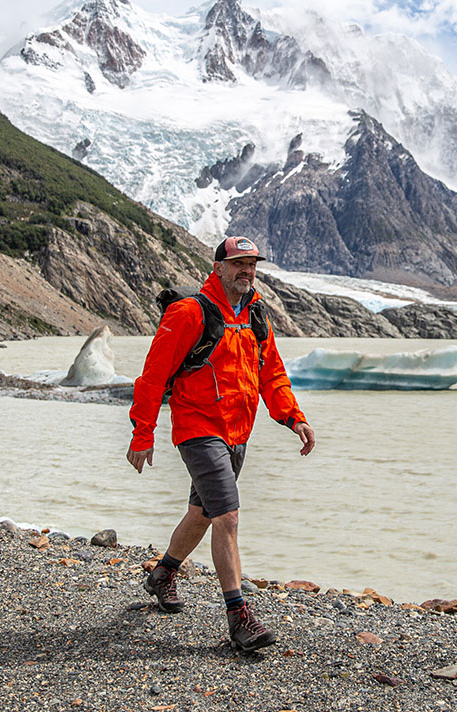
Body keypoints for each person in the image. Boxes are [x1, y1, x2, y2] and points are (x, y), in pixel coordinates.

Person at [127, 235, 316, 654]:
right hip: (198, 429)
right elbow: (152, 378)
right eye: (238, 264)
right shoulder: (188, 313)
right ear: (218, 269)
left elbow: (273, 374)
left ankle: (162, 574)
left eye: (252, 265)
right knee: (227, 517)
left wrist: (293, 417)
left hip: (238, 432)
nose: (246, 271)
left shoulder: (256, 316)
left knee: (202, 513)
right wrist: (143, 434)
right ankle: (239, 618)